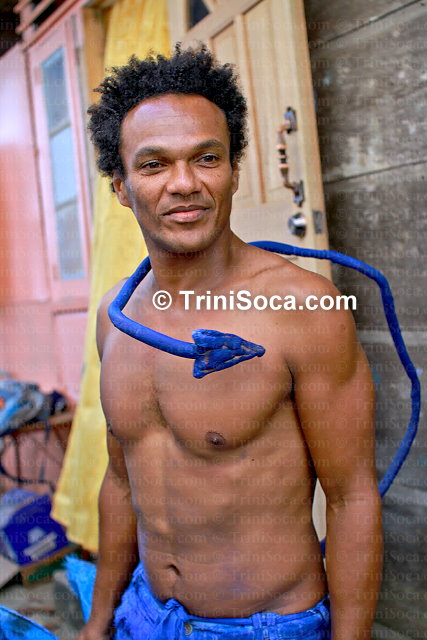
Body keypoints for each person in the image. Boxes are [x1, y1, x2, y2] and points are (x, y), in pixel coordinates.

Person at [78, 45, 383, 640]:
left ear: (234, 171)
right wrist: (98, 621)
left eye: (207, 158)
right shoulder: (116, 317)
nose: (185, 184)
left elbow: (352, 498)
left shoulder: (305, 307)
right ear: (121, 187)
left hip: (265, 627)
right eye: (154, 165)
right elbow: (120, 482)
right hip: (143, 614)